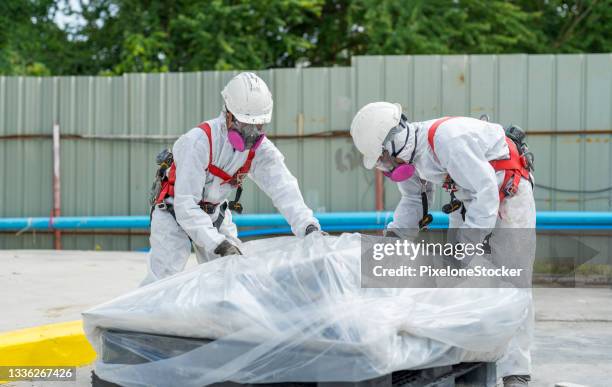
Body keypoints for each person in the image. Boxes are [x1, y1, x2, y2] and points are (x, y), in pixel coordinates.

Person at [349, 102, 535, 387]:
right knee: (456, 280)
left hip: (508, 193)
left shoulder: (447, 139)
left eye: (384, 159)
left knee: (513, 281)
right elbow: (413, 201)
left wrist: (467, 246)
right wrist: (394, 240)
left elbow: (486, 194)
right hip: (469, 200)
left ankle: (516, 371)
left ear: (394, 141)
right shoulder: (411, 159)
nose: (386, 168)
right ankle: (467, 357)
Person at [142, 72, 321, 285]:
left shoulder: (261, 150)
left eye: (259, 127)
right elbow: (185, 205)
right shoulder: (199, 142)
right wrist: (218, 244)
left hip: (214, 213)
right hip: (173, 212)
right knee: (163, 282)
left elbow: (283, 188)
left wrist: (308, 227)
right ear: (228, 115)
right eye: (246, 126)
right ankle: (122, 318)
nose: (251, 135)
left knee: (232, 278)